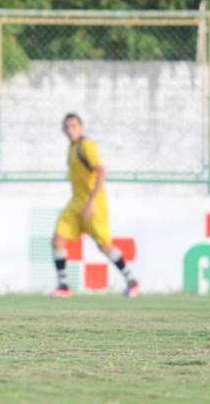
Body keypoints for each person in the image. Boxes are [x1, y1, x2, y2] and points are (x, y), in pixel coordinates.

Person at [50, 113, 141, 297]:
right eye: (67, 127)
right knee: (57, 240)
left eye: (74, 126)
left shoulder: (87, 145)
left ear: (81, 128)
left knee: (104, 246)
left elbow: (101, 171)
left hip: (93, 203)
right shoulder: (72, 148)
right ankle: (64, 286)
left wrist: (91, 202)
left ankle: (133, 282)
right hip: (75, 202)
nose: (70, 130)